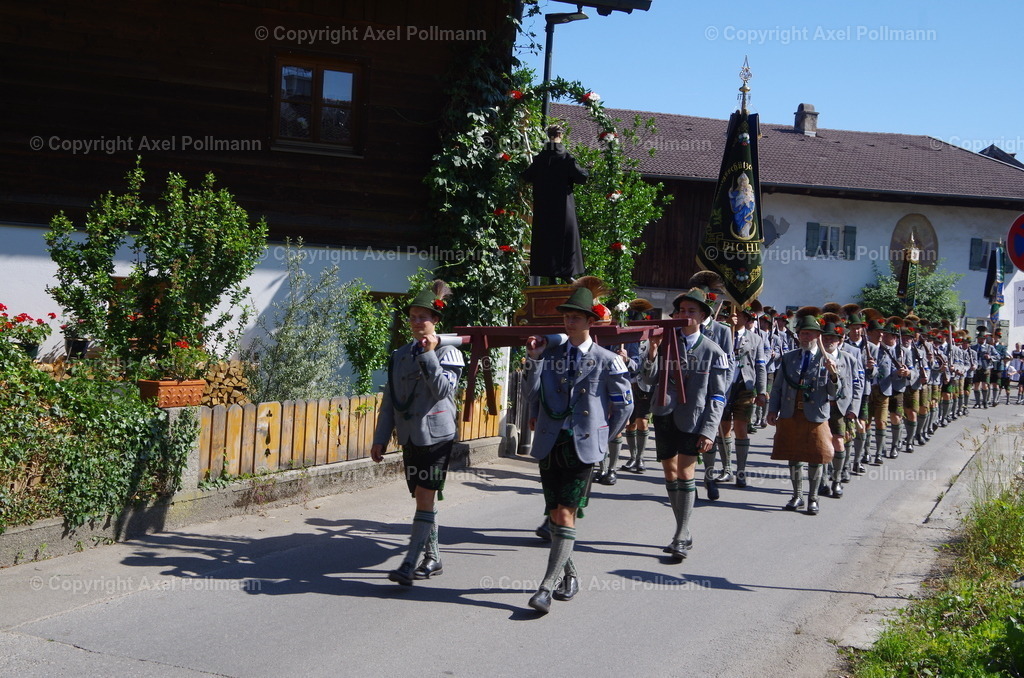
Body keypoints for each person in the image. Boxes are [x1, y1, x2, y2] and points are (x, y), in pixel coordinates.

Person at [523, 286, 633, 614]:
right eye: (566, 317)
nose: (568, 322)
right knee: (556, 512)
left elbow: (624, 407)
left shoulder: (607, 360)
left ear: (590, 321)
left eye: (575, 317)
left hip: (582, 447)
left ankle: (545, 588)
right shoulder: (550, 355)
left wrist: (603, 439)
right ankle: (569, 573)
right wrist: (532, 359)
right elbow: (531, 393)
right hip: (551, 442)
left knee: (566, 513)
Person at [370, 280, 465, 586]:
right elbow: (390, 402)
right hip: (410, 436)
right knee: (422, 498)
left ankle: (409, 563)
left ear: (436, 320)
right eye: (412, 317)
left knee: (425, 495)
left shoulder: (449, 352)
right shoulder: (399, 355)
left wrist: (429, 354)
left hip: (437, 436)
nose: (416, 323)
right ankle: (434, 557)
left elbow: (441, 390)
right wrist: (380, 438)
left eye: (422, 317)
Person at [639, 287, 729, 561]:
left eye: (692, 311)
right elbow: (648, 380)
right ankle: (683, 530)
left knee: (686, 472)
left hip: (694, 418)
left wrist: (710, 430)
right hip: (665, 414)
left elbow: (717, 395)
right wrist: (652, 353)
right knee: (669, 473)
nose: (685, 315)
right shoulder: (666, 343)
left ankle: (681, 533)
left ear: (703, 316)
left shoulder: (714, 350)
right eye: (681, 311)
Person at [766, 306, 844, 516]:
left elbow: (834, 392)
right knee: (794, 457)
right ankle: (797, 495)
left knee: (816, 457)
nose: (803, 336)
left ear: (818, 336)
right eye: (801, 333)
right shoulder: (789, 357)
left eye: (808, 333)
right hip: (791, 414)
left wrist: (833, 375)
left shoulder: (828, 360)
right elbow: (778, 387)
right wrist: (772, 410)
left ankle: (813, 498)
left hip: (815, 415)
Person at [522, 125, 588, 282]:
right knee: (566, 242)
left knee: (547, 241)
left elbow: (526, 176)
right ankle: (567, 275)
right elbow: (582, 177)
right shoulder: (567, 158)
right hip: (564, 209)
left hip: (544, 210)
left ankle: (552, 278)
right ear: (561, 136)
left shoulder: (539, 159)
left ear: (548, 136)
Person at [717, 301, 767, 488]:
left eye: (739, 314)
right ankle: (726, 468)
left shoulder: (756, 339)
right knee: (723, 428)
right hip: (723, 387)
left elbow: (760, 367)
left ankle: (741, 471)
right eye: (733, 314)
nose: (735, 317)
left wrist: (761, 391)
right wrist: (727, 327)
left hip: (745, 387)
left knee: (741, 428)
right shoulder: (723, 334)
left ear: (746, 318)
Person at [620, 298, 655, 474]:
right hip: (628, 383)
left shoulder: (650, 341)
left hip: (644, 385)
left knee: (642, 421)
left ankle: (640, 458)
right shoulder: (625, 339)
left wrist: (653, 354)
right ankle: (632, 457)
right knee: (630, 424)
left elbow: (650, 367)